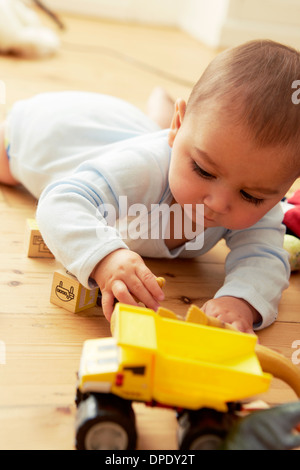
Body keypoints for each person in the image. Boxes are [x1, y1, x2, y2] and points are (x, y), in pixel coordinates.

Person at [0, 39, 299, 335]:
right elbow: (61, 202)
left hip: (137, 133)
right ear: (179, 127)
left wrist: (241, 302)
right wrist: (106, 258)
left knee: (151, 132)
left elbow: (266, 258)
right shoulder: (145, 168)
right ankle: (161, 112)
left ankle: (160, 108)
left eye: (251, 196)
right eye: (203, 170)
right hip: (48, 134)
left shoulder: (252, 189)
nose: (218, 203)